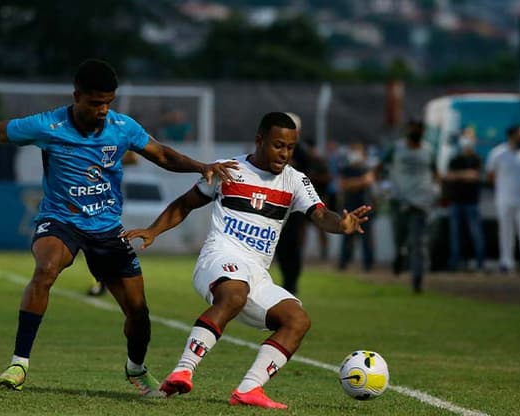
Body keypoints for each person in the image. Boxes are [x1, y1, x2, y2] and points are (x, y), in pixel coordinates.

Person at [0, 58, 237, 395]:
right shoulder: (47, 125)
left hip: (107, 228)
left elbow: (164, 156)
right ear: (77, 96)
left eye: (108, 103)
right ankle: (19, 362)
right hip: (60, 220)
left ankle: (136, 369)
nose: (102, 110)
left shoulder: (122, 127)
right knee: (46, 269)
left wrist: (201, 165)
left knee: (139, 314)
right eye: (96, 103)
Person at [122, 112, 371, 409]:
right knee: (234, 292)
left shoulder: (295, 181)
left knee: (297, 320)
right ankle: (182, 370)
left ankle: (249, 389)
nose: (285, 154)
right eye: (278, 145)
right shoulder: (230, 170)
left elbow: (320, 214)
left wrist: (340, 225)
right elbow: (186, 203)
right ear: (259, 140)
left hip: (257, 274)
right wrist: (154, 230)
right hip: (219, 257)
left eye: (290, 147)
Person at [377, 119, 436, 293]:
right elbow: (379, 167)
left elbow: (436, 172)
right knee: (400, 238)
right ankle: (400, 256)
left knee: (418, 243)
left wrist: (436, 192)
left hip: (421, 202)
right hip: (399, 200)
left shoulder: (429, 151)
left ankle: (417, 280)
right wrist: (382, 187)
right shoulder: (396, 148)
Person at [274, 112, 312, 295]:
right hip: (276, 202)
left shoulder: (302, 151)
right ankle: (287, 281)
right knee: (279, 245)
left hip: (294, 205)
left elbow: (307, 178)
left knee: (292, 244)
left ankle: (291, 283)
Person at [485, 125, 520, 277]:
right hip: (504, 198)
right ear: (511, 136)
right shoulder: (498, 153)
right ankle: (506, 262)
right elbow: (490, 175)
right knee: (505, 231)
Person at [442, 127, 486, 272]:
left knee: (476, 234)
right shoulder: (455, 159)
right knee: (455, 235)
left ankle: (480, 263)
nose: (468, 141)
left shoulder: (476, 159)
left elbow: (476, 176)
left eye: (470, 137)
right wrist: (466, 175)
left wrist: (459, 175)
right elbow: (448, 176)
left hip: (472, 202)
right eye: (466, 137)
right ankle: (454, 263)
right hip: (456, 202)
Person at [337, 142, 375, 272]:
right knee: (347, 236)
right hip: (349, 208)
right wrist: (359, 182)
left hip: (365, 208)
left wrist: (353, 183)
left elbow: (368, 180)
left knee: (366, 238)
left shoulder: (366, 168)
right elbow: (343, 184)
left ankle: (368, 264)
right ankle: (343, 262)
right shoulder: (346, 169)